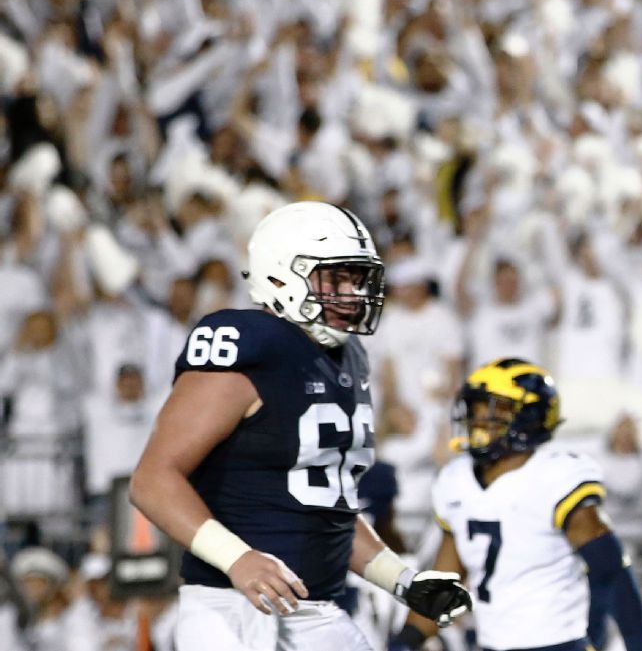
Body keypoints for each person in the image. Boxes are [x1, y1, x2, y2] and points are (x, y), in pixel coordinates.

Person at [130, 202, 471, 651]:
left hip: (317, 610)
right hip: (234, 608)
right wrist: (238, 559)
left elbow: (327, 507)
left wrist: (404, 582)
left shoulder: (347, 357)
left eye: (356, 278)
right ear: (279, 275)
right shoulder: (246, 347)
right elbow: (153, 479)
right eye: (336, 278)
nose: (351, 293)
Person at [397, 358, 642, 651]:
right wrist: (404, 642)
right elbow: (445, 585)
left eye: (495, 410)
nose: (479, 420)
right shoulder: (456, 481)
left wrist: (637, 645)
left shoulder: (555, 476)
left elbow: (612, 572)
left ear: (530, 417)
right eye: (477, 409)